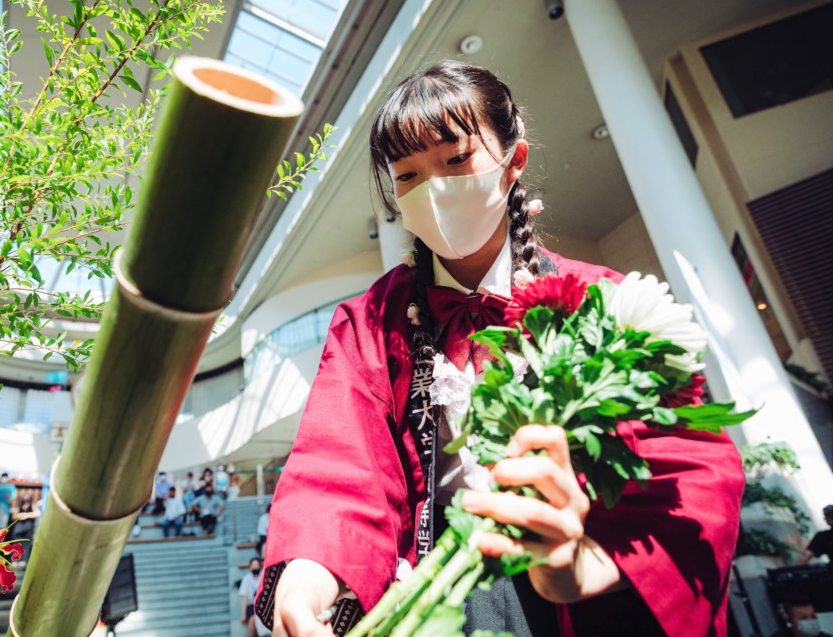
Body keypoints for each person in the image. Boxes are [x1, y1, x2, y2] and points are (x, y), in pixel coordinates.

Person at [255, 60, 744, 637]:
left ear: (515, 161)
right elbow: (338, 462)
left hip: (591, 593)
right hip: (444, 592)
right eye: (408, 175)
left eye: (456, 160)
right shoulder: (369, 321)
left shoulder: (604, 300)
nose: (433, 189)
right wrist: (310, 573)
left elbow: (691, 469)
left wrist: (588, 563)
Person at [240, 557, 265, 637]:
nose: (255, 567)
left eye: (257, 565)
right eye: (253, 566)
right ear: (250, 567)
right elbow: (245, 597)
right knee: (252, 620)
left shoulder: (264, 575)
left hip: (263, 602)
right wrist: (243, 614)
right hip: (251, 604)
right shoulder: (246, 579)